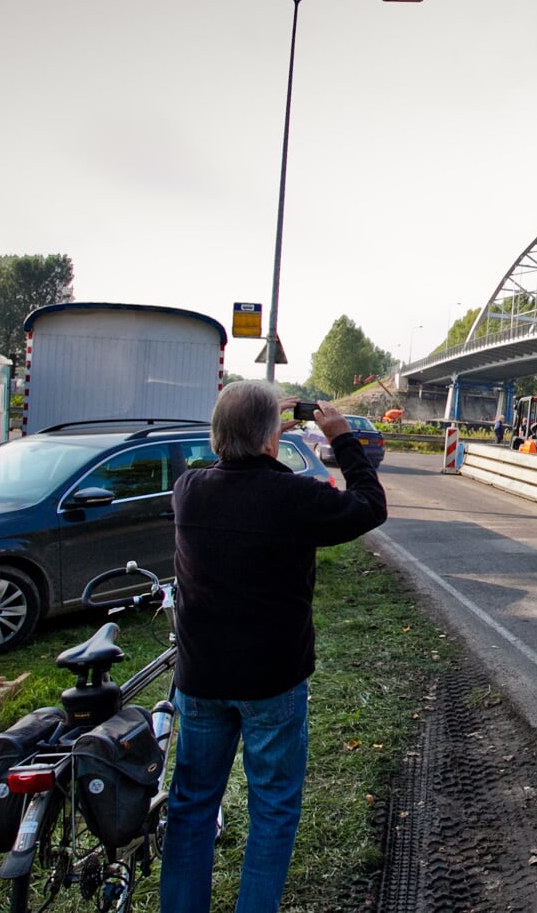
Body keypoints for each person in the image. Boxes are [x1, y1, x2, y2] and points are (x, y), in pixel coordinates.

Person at [160, 381, 387, 913]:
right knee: (272, 809)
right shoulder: (293, 498)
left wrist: (257, 429)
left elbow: (231, 465)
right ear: (272, 440)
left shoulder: (188, 490)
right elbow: (369, 505)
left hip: (202, 678)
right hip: (271, 680)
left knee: (191, 808)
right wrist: (341, 438)